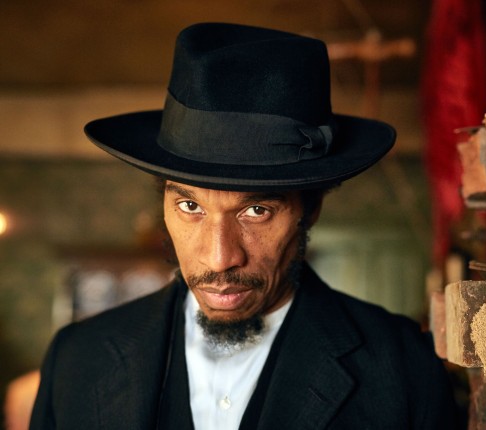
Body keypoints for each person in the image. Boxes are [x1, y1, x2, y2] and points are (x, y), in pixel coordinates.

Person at [29, 23, 456, 429]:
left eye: (257, 211)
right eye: (190, 205)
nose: (220, 258)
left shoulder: (403, 367)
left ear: (312, 209)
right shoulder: (76, 359)